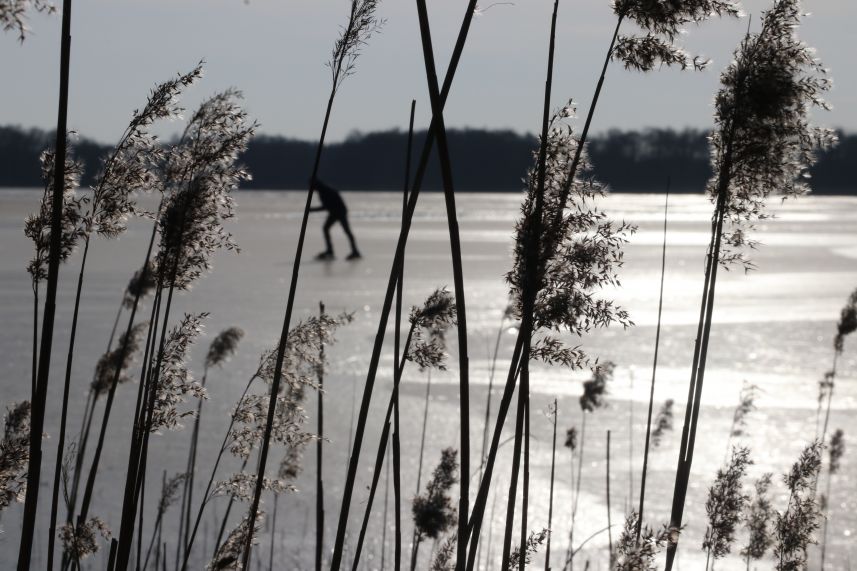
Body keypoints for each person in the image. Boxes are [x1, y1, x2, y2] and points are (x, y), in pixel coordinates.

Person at [309, 177, 361, 260]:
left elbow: (327, 206)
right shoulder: (323, 191)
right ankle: (330, 250)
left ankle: (355, 251)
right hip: (335, 212)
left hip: (340, 212)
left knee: (346, 231)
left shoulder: (325, 191)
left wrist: (312, 209)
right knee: (326, 229)